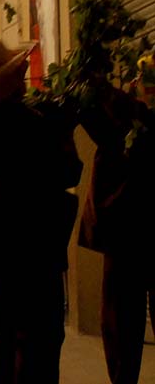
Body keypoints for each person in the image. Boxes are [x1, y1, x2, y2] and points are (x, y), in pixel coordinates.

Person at [0, 38, 82, 384]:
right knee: (40, 337)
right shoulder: (27, 124)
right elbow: (68, 172)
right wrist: (63, 130)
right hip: (31, 248)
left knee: (8, 332)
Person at [78, 79, 155, 384]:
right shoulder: (117, 112)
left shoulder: (124, 114)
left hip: (127, 217)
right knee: (121, 311)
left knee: (121, 312)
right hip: (127, 217)